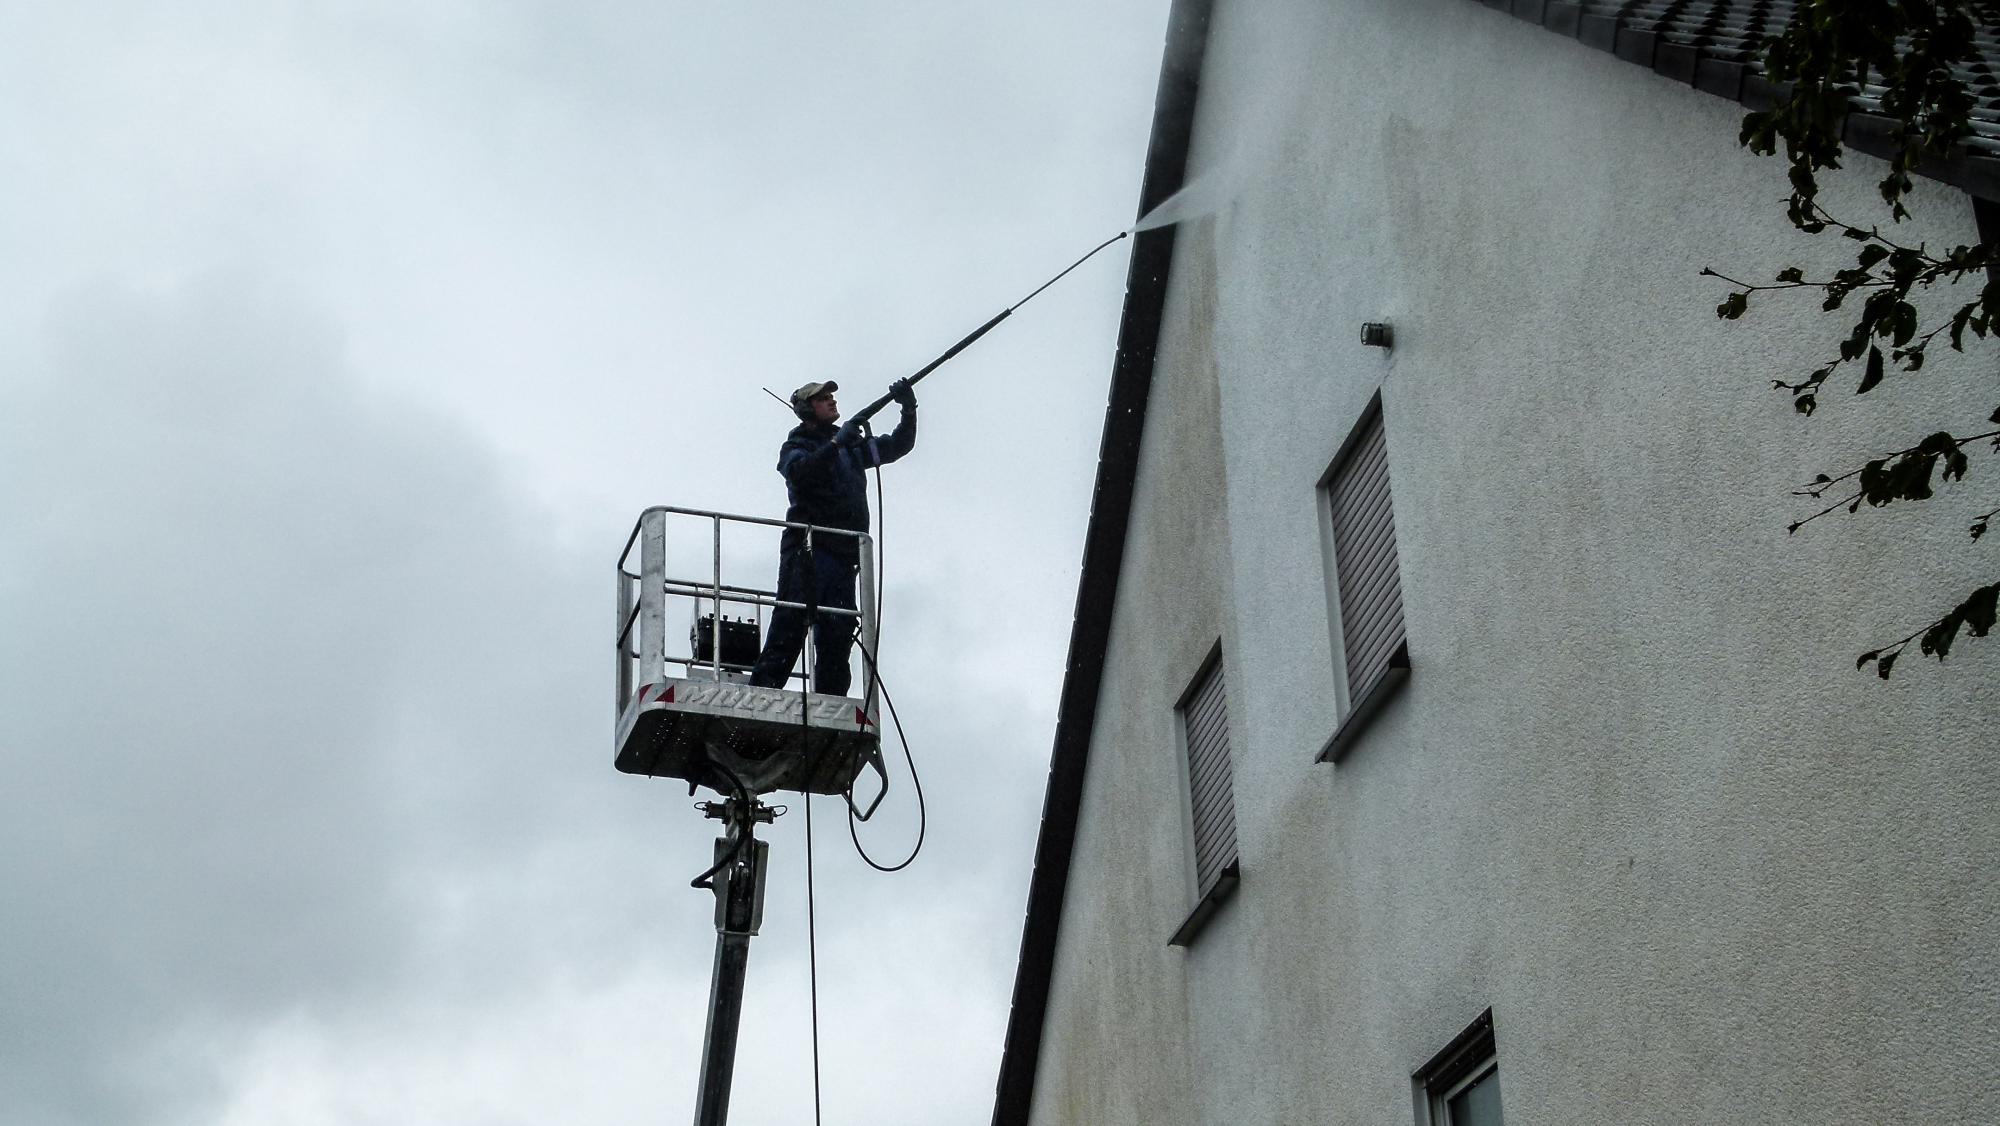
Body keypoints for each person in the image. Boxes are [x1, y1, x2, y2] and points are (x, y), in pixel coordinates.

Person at [748, 377, 917, 695]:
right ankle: (762, 695)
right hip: (808, 551)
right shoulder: (798, 447)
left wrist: (908, 409)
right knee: (790, 625)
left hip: (843, 555)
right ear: (806, 409)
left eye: (831, 396)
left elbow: (898, 446)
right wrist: (838, 443)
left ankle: (831, 701)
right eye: (823, 398)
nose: (832, 401)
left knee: (837, 633)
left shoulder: (851, 448)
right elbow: (801, 475)